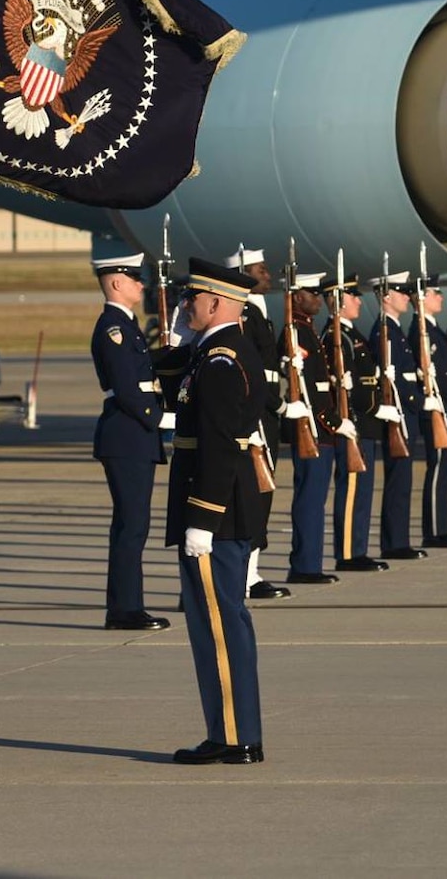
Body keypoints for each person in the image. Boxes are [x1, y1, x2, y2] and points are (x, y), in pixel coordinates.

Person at [166, 258, 268, 766]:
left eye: (192, 299)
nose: (186, 305)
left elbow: (220, 445)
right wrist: (176, 342)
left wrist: (201, 520)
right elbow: (175, 393)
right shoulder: (210, 353)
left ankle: (235, 736)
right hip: (221, 508)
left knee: (220, 626)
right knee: (217, 626)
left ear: (218, 303)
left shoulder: (222, 360)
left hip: (217, 512)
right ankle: (229, 730)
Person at [88, 251, 169, 630]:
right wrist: (158, 417)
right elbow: (125, 388)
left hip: (133, 435)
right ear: (117, 283)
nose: (141, 283)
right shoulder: (113, 328)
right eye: (135, 277)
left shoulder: (128, 325)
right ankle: (125, 609)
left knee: (133, 524)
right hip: (127, 433)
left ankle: (127, 606)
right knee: (131, 525)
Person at [227, 248, 288, 601]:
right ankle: (245, 574)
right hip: (258, 412)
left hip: (266, 412)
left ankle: (251, 571)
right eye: (260, 269)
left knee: (263, 495)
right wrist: (277, 403)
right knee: (253, 494)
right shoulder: (244, 314)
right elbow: (251, 373)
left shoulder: (258, 312)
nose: (268, 274)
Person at [281, 273, 340, 585]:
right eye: (311, 293)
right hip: (312, 426)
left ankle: (310, 563)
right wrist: (330, 422)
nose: (318, 298)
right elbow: (303, 388)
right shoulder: (296, 332)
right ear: (295, 296)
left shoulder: (307, 330)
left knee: (316, 498)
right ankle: (304, 565)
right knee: (309, 497)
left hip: (320, 427)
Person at [326, 276, 386, 573]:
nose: (360, 301)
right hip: (353, 422)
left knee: (362, 490)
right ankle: (348, 552)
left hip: (366, 421)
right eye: (353, 296)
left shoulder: (354, 335)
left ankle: (358, 548)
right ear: (338, 302)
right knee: (351, 489)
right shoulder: (335, 337)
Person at [372, 273, 426, 562]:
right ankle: (394, 542)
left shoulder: (395, 329)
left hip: (406, 413)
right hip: (400, 414)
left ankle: (399, 539)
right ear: (386, 296)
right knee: (397, 481)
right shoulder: (383, 331)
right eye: (401, 292)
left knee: (403, 481)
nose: (407, 297)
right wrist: (417, 399)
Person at [414, 274, 447, 551]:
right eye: (436, 293)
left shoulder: (434, 330)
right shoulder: (421, 329)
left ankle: (441, 528)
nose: (441, 297)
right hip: (440, 408)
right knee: (438, 469)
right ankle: (434, 531)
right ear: (423, 298)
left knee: (445, 468)